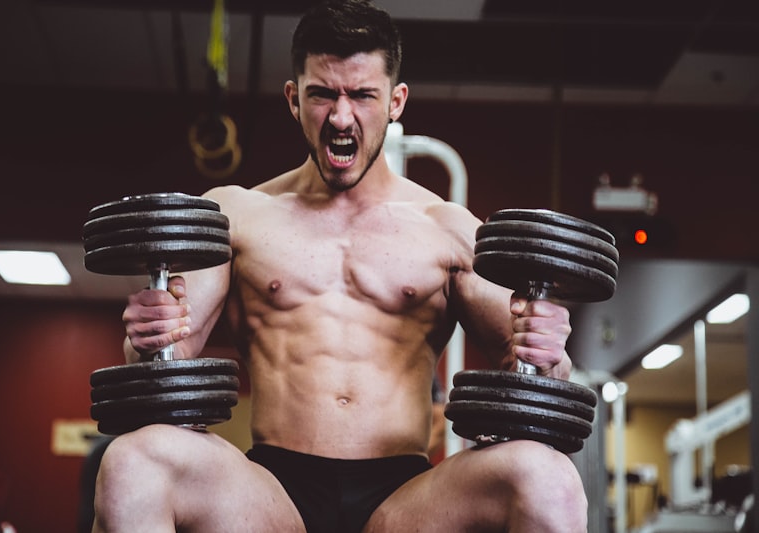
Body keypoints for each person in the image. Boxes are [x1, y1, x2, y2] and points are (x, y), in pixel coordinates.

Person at [91, 1, 586, 531]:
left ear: (395, 102)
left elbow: (534, 375)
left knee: (548, 477)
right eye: (322, 94)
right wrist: (147, 334)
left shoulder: (448, 228)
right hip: (271, 495)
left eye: (362, 95)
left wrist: (549, 353)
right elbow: (167, 360)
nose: (341, 116)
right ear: (293, 98)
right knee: (131, 461)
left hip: (404, 501)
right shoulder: (234, 216)